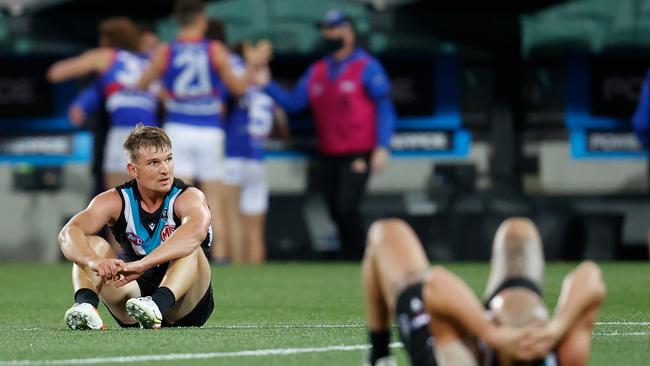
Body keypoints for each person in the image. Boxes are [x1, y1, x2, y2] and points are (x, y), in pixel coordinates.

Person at [361, 217, 606, 365]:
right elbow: (591, 276)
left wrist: (490, 333)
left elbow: (435, 283)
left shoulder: (467, 357)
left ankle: (379, 357)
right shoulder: (561, 357)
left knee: (386, 232)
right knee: (518, 229)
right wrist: (558, 327)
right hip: (507, 334)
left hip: (435, 337)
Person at [136, 0, 270, 264]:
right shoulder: (215, 50)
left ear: (178, 21)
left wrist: (169, 94)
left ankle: (175, 259)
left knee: (176, 198)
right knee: (213, 198)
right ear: (201, 20)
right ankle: (219, 256)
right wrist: (252, 65)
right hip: (209, 129)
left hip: (178, 128)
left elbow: (142, 83)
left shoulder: (166, 51)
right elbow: (239, 89)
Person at [262, 9, 396, 260]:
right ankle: (351, 256)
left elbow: (384, 107)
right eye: (326, 29)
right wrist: (266, 83)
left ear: (348, 33)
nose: (328, 34)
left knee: (347, 207)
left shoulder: (366, 66)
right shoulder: (318, 70)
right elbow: (293, 103)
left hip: (357, 151)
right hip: (328, 151)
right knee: (334, 208)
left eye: (333, 28)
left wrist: (382, 146)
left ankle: (361, 256)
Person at [58, 124, 214, 330]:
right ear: (133, 170)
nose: (165, 169)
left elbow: (194, 233)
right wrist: (93, 261)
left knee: (189, 246)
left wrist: (142, 264)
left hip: (185, 303)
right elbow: (68, 233)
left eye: (168, 159)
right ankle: (86, 307)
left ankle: (157, 305)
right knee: (90, 243)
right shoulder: (115, 200)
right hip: (134, 301)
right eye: (153, 163)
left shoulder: (189, 196)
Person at [47, 16, 159, 191]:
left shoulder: (106, 56)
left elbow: (55, 73)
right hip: (155, 136)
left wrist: (89, 70)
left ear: (109, 40)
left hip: (124, 132)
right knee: (153, 207)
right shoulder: (152, 61)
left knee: (118, 205)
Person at [220, 42, 288, 264]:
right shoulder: (268, 94)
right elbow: (285, 121)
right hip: (257, 160)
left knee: (233, 220)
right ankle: (257, 277)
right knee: (255, 229)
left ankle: (239, 274)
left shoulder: (237, 87)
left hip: (234, 157)